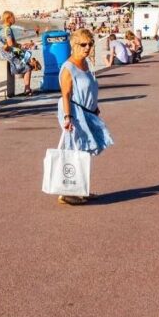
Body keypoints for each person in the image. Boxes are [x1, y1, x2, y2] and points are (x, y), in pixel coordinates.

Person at [56, 28, 114, 205]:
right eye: (83, 44)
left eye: (90, 44)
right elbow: (65, 94)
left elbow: (90, 88)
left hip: (88, 111)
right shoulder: (69, 67)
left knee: (85, 151)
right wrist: (67, 117)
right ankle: (65, 191)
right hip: (74, 111)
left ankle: (81, 189)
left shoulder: (86, 64)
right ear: (74, 45)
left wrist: (95, 107)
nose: (87, 47)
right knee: (75, 150)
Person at [0, 10, 34, 95]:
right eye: (13, 17)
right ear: (9, 19)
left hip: (5, 53)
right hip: (9, 55)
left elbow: (11, 44)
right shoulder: (7, 30)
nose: (15, 18)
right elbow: (10, 44)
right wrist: (20, 49)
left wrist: (21, 46)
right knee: (28, 67)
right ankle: (27, 89)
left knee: (27, 59)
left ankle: (27, 88)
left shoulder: (3, 29)